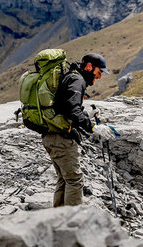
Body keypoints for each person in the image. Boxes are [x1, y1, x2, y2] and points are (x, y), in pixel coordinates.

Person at [43, 52, 109, 207]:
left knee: (64, 179)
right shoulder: (76, 80)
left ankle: (59, 221)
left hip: (51, 136)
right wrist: (93, 127)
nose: (99, 77)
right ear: (89, 67)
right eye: (99, 72)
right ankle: (73, 224)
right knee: (74, 180)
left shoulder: (71, 77)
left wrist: (88, 115)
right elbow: (72, 109)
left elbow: (66, 108)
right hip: (61, 139)